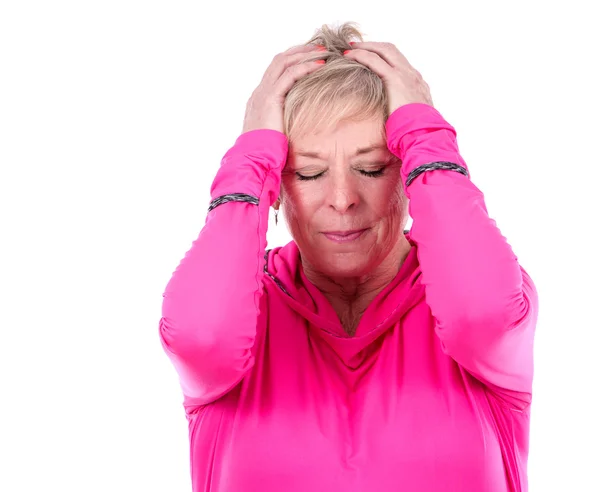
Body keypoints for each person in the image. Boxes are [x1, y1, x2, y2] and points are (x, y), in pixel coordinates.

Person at [158, 22, 538, 492]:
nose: (342, 198)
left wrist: (426, 134)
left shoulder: (483, 299)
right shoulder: (245, 309)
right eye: (310, 172)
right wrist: (249, 161)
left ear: (407, 172)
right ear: (276, 186)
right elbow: (201, 334)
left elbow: (483, 312)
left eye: (371, 167)